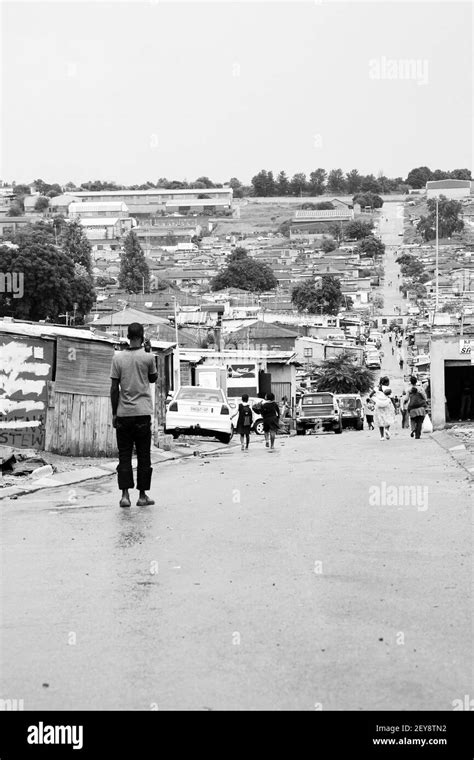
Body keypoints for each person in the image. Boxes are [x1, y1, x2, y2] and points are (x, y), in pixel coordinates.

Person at [110, 323, 158, 508]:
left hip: (124, 414)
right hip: (143, 414)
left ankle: (124, 496)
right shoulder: (148, 358)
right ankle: (142, 495)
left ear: (127, 336)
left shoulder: (118, 359)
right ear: (143, 336)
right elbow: (153, 378)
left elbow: (114, 388)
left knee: (124, 455)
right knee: (144, 455)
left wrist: (115, 413)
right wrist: (149, 351)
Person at [373, 376, 395, 440]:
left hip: (378, 406)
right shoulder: (388, 389)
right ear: (387, 382)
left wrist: (376, 400)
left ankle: (382, 436)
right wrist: (395, 407)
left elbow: (371, 395)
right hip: (386, 406)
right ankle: (387, 430)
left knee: (380, 421)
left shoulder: (376, 388)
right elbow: (392, 398)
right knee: (387, 418)